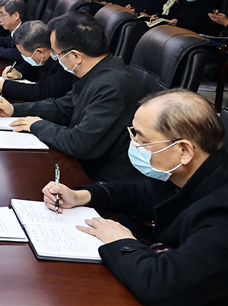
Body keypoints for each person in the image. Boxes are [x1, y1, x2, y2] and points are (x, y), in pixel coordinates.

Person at [41, 90, 228, 306]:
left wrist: (121, 241)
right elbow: (142, 195)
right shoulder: (189, 173)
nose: (135, 144)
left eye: (143, 139)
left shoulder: (221, 215)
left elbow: (160, 286)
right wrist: (81, 196)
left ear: (184, 151)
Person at [0, 11, 143, 183]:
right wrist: (14, 109)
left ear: (76, 56)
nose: (55, 59)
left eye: (57, 54)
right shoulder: (96, 72)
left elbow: (78, 143)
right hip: (85, 165)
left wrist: (37, 125)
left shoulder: (110, 87)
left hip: (102, 178)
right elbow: (63, 107)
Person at [0, 20, 76, 102]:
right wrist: (18, 72)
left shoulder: (65, 62)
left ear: (40, 52)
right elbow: (31, 67)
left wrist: (5, 87)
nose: (24, 57)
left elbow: (45, 92)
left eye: (25, 55)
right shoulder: (45, 55)